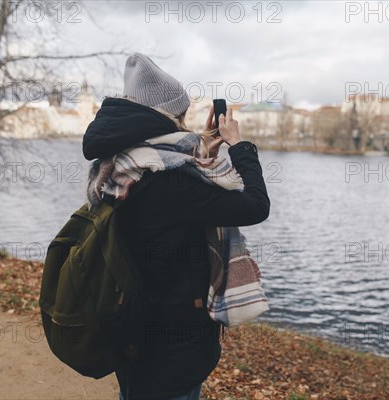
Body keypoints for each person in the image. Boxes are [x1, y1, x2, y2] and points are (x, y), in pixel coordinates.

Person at [81, 53, 270, 400]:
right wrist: (240, 147)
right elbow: (255, 206)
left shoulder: (122, 164)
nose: (185, 122)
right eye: (181, 114)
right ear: (166, 117)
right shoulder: (170, 181)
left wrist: (202, 150)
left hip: (133, 327)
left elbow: (173, 205)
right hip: (171, 345)